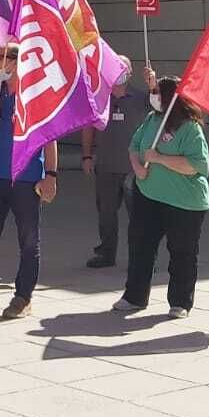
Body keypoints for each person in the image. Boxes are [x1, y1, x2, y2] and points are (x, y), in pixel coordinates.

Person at [0, 41, 58, 321]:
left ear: (17, 61)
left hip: (26, 178)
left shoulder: (35, 94)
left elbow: (50, 138)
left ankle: (23, 296)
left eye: (0, 58)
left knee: (29, 242)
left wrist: (51, 176)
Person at [114, 72, 209, 318]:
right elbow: (135, 146)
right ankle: (134, 296)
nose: (153, 96)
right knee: (140, 246)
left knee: (182, 252)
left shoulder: (191, 128)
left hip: (184, 202)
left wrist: (160, 159)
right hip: (148, 195)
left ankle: (180, 302)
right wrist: (137, 167)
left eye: (157, 93)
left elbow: (197, 166)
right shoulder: (151, 119)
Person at [83, 55, 145, 268]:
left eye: (123, 68)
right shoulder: (100, 98)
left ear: (130, 72)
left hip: (134, 169)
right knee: (106, 213)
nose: (118, 72)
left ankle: (144, 257)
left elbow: (161, 111)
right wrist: (87, 155)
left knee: (139, 216)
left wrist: (154, 85)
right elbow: (88, 128)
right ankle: (106, 253)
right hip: (106, 167)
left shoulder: (141, 98)